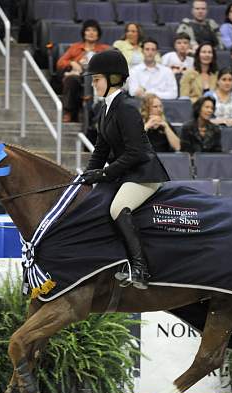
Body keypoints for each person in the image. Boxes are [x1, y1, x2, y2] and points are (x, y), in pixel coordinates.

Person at [80, 50, 170, 289]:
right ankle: (118, 261)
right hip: (126, 173)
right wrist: (85, 178)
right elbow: (100, 149)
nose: (93, 83)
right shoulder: (105, 109)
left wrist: (104, 174)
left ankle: (140, 268)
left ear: (112, 79)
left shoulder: (127, 107)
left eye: (97, 79)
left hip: (143, 174)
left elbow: (136, 153)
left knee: (118, 207)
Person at [56, 19, 109, 123]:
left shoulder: (104, 49)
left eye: (94, 30)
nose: (91, 33)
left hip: (98, 78)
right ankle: (69, 112)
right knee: (71, 79)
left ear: (98, 34)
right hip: (80, 76)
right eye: (88, 30)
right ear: (84, 33)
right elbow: (60, 62)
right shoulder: (75, 47)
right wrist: (72, 63)